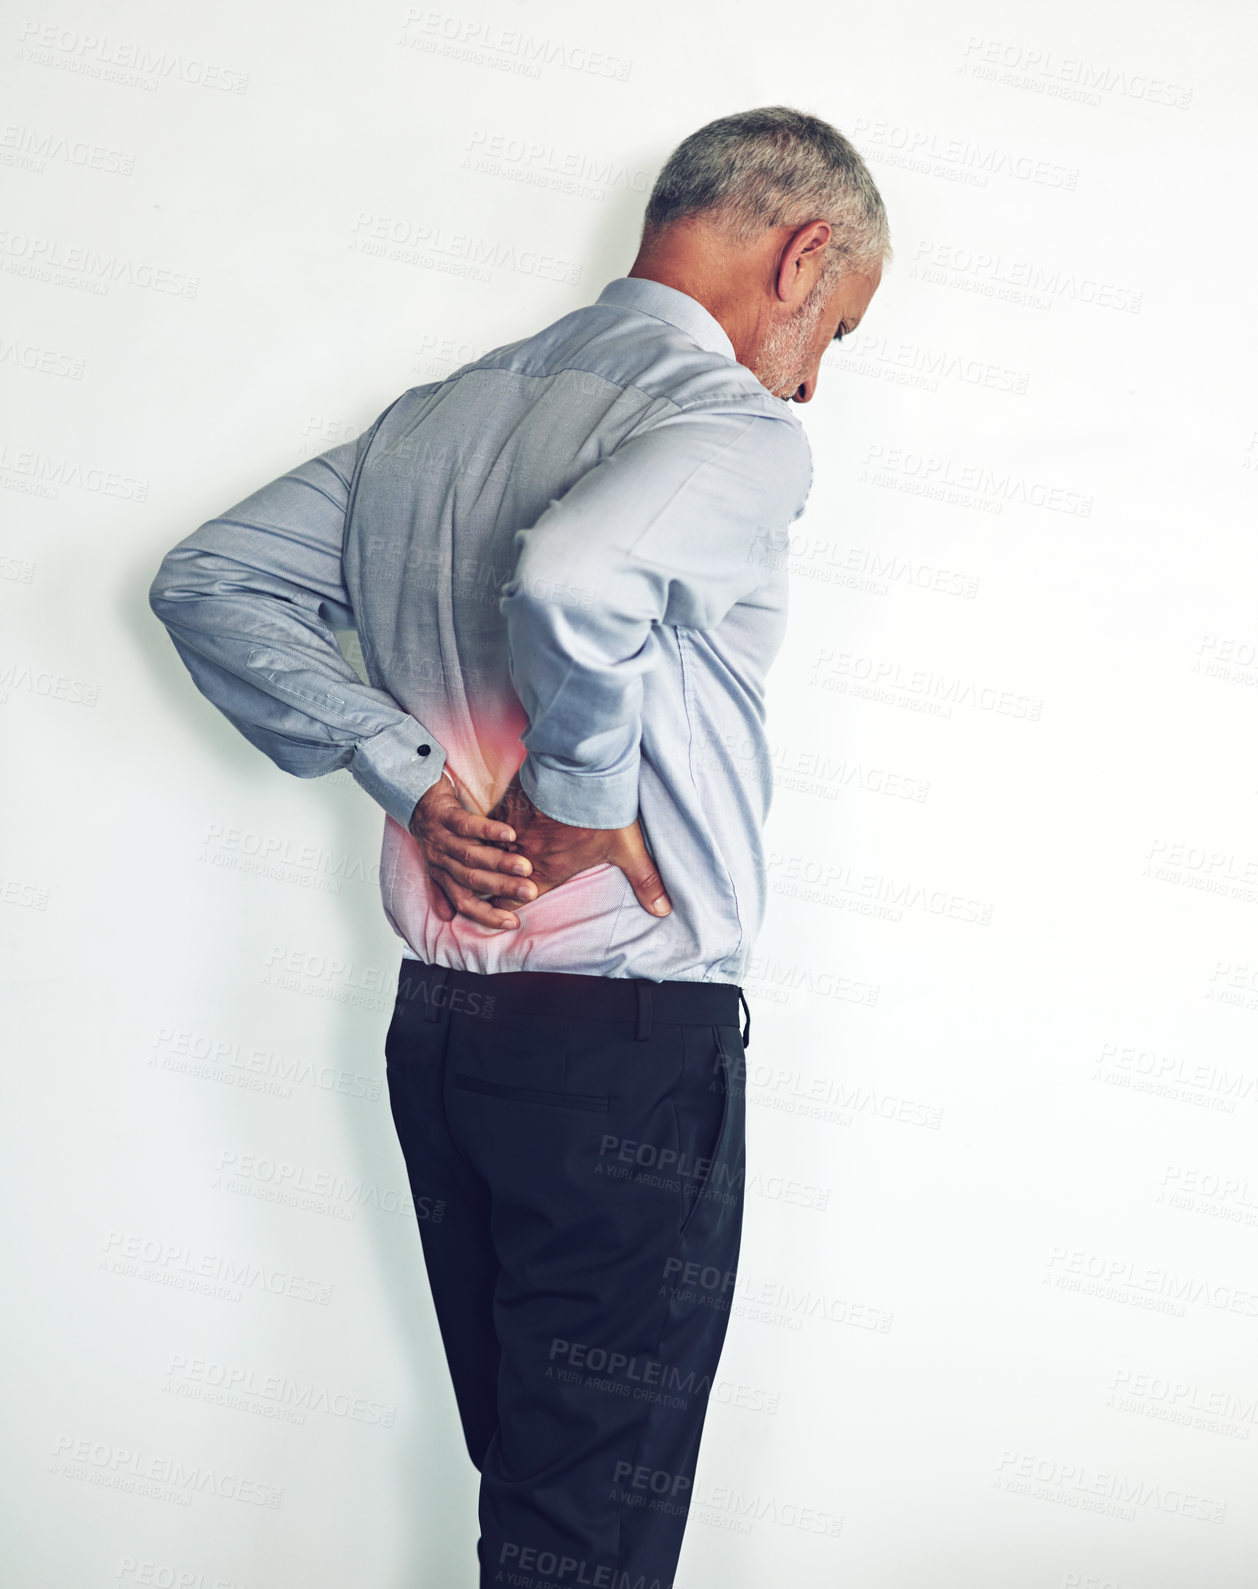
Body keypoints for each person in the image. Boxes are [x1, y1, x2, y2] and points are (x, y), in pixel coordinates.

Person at [148, 104, 889, 1589]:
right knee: (584, 1531)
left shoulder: (434, 418)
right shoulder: (728, 427)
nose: (811, 380)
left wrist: (409, 771)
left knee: (539, 1505)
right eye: (838, 328)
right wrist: (584, 789)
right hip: (624, 1046)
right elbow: (580, 569)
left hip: (445, 1036)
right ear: (802, 253)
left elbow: (209, 576)